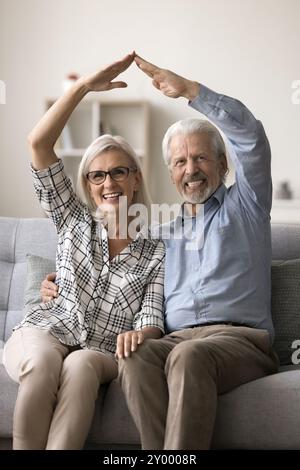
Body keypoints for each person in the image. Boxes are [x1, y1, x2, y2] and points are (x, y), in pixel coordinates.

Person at [2, 53, 165, 450]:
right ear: (88, 184)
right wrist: (81, 89)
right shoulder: (73, 219)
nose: (108, 183)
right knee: (43, 365)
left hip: (103, 350)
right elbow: (37, 143)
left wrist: (142, 333)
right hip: (47, 331)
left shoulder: (156, 250)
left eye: (118, 171)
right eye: (97, 175)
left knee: (80, 364)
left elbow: (152, 314)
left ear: (135, 177)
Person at [116, 55, 279, 450]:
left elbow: (252, 139)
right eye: (180, 162)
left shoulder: (248, 207)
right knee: (136, 357)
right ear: (171, 173)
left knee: (189, 357)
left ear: (223, 165)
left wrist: (192, 91)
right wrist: (56, 284)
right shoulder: (159, 234)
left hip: (240, 342)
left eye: (201, 157)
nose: (191, 169)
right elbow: (112, 276)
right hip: (177, 341)